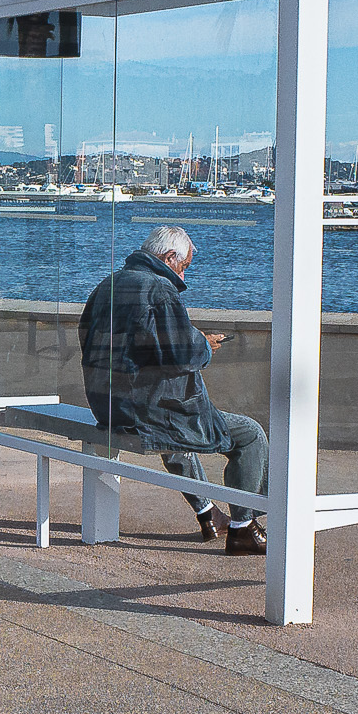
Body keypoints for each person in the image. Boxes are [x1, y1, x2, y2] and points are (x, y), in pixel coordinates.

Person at [79, 225, 269, 554]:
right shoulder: (160, 290)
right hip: (143, 410)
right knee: (250, 435)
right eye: (185, 266)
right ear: (169, 257)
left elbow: (116, 343)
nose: (184, 273)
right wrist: (205, 345)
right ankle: (243, 527)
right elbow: (182, 355)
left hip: (108, 405)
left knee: (172, 430)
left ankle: (208, 514)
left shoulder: (108, 285)